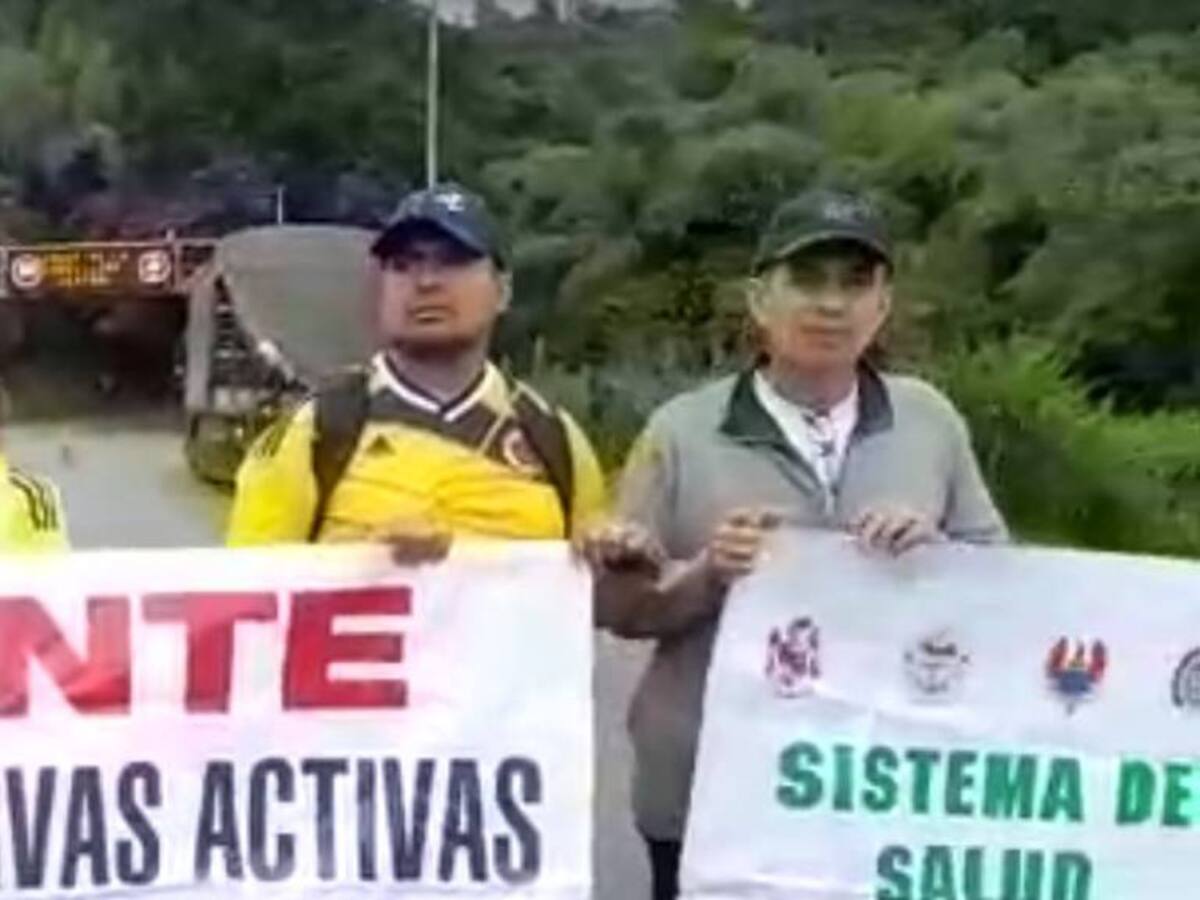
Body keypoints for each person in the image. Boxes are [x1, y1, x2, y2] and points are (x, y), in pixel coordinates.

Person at [585, 188, 1008, 900]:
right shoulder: (683, 431)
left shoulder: (931, 422)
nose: (832, 304)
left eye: (856, 282)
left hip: (877, 791)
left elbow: (1004, 581)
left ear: (884, 304)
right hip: (708, 791)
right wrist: (707, 576)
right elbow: (619, 607)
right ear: (759, 299)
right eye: (807, 280)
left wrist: (936, 553)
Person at [226, 183, 606, 553]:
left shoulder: (556, 440)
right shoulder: (314, 431)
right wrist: (370, 570)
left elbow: (595, 597)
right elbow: (246, 596)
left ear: (502, 290)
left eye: (453, 261)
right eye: (403, 265)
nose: (426, 282)